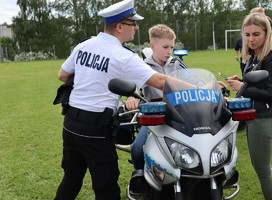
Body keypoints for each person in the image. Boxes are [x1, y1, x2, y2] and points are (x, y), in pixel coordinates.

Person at [53, 1, 187, 199]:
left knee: (72, 177)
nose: (136, 27)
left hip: (71, 124)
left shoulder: (84, 45)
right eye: (132, 23)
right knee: (106, 186)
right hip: (96, 128)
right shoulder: (123, 56)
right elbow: (159, 81)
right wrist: (202, 88)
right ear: (119, 27)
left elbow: (63, 75)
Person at [225, 13, 272, 200]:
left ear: (267, 33)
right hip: (255, 116)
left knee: (262, 170)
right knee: (264, 167)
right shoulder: (254, 55)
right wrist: (242, 81)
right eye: (247, 34)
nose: (250, 39)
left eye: (256, 34)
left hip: (264, 119)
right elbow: (258, 84)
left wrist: (243, 87)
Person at [125, 24, 188, 196]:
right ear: (152, 46)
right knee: (138, 149)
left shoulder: (177, 64)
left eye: (172, 47)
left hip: (180, 115)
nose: (169, 51)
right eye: (165, 47)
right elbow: (134, 88)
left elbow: (192, 83)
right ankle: (141, 179)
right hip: (155, 118)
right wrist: (131, 98)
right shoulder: (143, 67)